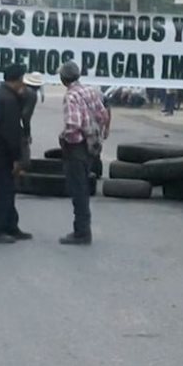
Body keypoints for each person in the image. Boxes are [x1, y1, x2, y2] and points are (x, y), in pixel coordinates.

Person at [58, 61, 110, 246]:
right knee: (83, 188)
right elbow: (103, 115)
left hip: (77, 148)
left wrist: (65, 139)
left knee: (78, 190)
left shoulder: (70, 96)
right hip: (91, 147)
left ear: (63, 79)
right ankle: (83, 230)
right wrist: (97, 132)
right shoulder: (90, 91)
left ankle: (81, 232)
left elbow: (72, 125)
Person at [0, 64, 33, 243]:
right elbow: (11, 132)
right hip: (3, 154)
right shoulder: (8, 100)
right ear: (18, 79)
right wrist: (17, 157)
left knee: (9, 191)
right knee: (2, 193)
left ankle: (11, 226)